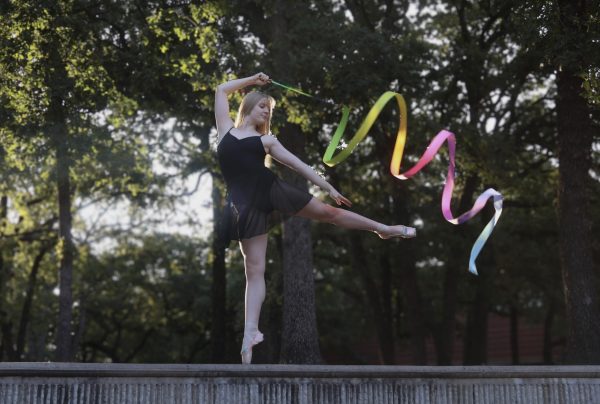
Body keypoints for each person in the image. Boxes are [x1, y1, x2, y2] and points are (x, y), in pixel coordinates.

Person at [214, 72, 416, 364]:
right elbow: (221, 90)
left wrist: (329, 187)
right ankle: (250, 333)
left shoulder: (267, 141)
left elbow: (298, 165)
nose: (266, 113)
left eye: (268, 111)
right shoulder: (225, 131)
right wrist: (253, 79)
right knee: (254, 270)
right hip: (244, 204)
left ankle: (381, 228)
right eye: (263, 107)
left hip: (269, 189)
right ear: (250, 104)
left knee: (329, 212)